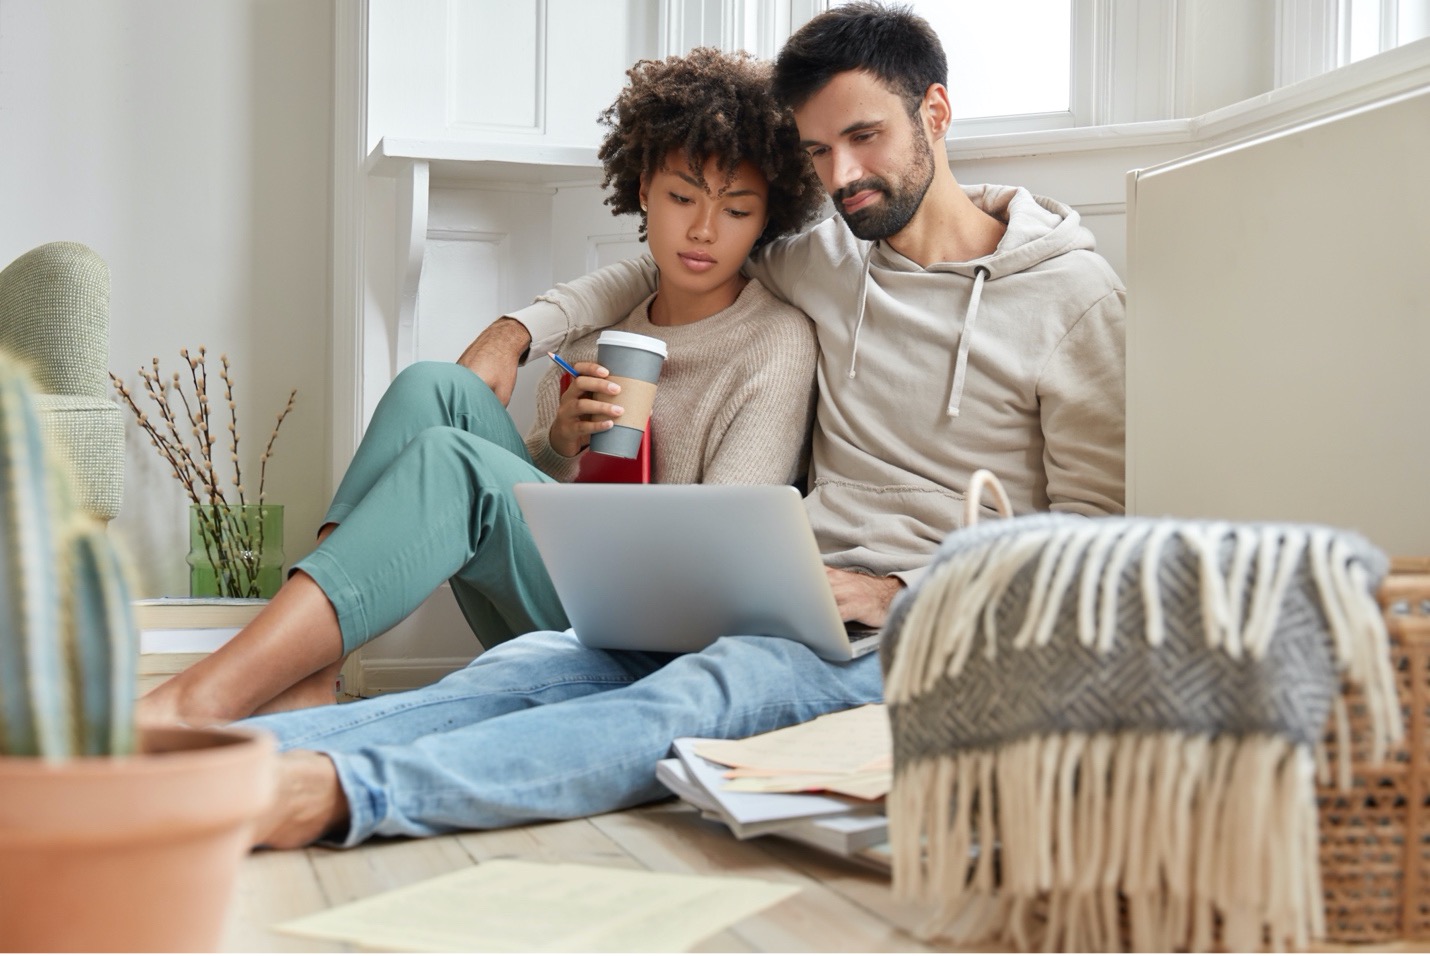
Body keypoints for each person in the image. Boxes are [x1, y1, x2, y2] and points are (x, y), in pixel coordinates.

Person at [247, 1, 1126, 849]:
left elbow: (1098, 544)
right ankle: (247, 755)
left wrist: (896, 591)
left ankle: (334, 794)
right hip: (782, 595)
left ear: (934, 113)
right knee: (528, 667)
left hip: (921, 629)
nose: (843, 176)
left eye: (866, 138)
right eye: (819, 151)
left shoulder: (1072, 300)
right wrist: (519, 330)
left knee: (691, 699)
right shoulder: (829, 255)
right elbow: (664, 263)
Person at [136, 47, 825, 729]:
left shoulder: (777, 343)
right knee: (432, 388)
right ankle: (313, 668)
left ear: (769, 218)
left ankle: (206, 696)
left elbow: (726, 568)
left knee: (454, 465)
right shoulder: (604, 329)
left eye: (737, 210)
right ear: (643, 188)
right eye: (681, 197)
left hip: (658, 642)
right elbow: (541, 498)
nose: (704, 230)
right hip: (568, 599)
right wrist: (558, 446)